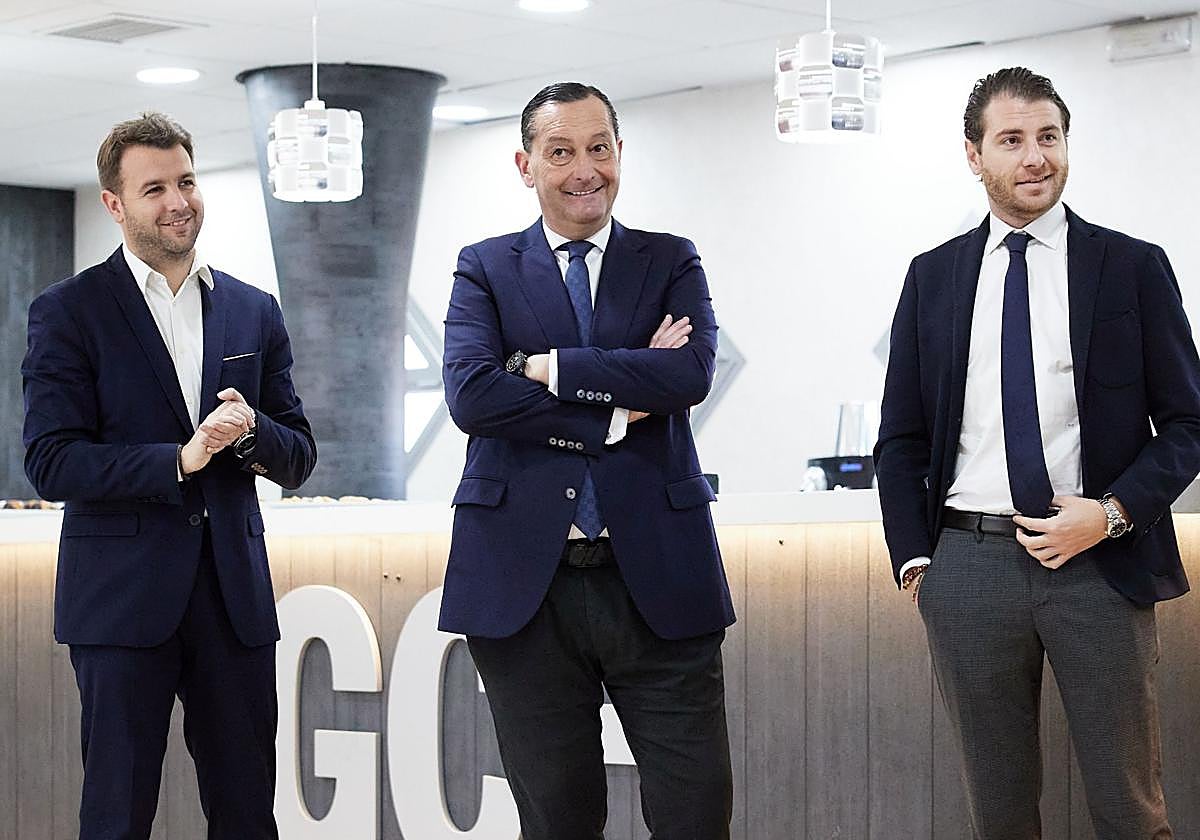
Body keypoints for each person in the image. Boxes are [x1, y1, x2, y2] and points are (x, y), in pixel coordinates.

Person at [875, 67, 1200, 839]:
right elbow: (901, 437)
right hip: (969, 565)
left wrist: (1114, 514)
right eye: (1012, 140)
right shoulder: (933, 278)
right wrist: (918, 564)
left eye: (1048, 137)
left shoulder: (1131, 266)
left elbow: (1189, 423)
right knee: (999, 809)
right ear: (973, 154)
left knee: (1128, 805)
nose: (1034, 157)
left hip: (1100, 563)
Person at [439, 82, 735, 840]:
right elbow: (473, 396)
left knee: (695, 813)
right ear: (525, 163)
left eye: (599, 148)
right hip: (524, 590)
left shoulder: (669, 260)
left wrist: (542, 368)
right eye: (561, 151)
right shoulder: (486, 268)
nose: (584, 170)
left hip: (659, 581)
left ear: (620, 155)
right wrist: (611, 412)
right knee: (557, 820)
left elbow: (688, 376)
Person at [22, 112, 316, 840]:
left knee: (247, 811)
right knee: (119, 814)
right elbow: (51, 459)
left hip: (233, 600)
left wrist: (251, 433)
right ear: (114, 205)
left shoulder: (253, 308)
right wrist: (176, 460)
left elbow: (299, 454)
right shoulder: (69, 312)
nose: (179, 200)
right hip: (121, 605)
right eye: (155, 188)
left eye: (186, 181)